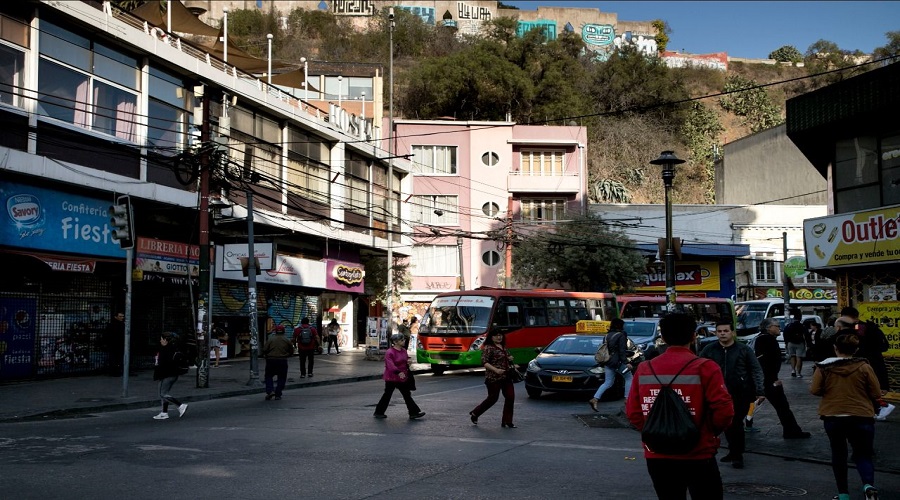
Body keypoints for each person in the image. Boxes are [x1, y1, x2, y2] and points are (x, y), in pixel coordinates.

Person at [626, 313, 734, 500]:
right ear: (693, 336)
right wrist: (709, 433)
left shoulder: (645, 368)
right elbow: (724, 411)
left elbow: (634, 412)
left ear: (664, 337)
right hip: (699, 453)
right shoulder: (705, 367)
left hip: (657, 454)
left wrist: (657, 431)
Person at [811, 333, 882, 500]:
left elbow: (814, 390)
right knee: (863, 454)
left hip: (833, 415)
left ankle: (843, 494)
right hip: (861, 415)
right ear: (856, 350)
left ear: (835, 348)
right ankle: (868, 486)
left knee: (838, 454)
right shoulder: (864, 367)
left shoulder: (824, 367)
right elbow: (876, 392)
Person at [699, 321, 765, 469]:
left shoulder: (744, 350)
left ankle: (737, 454)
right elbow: (700, 369)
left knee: (735, 423)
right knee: (726, 424)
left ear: (732, 333)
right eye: (719, 331)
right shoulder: (709, 350)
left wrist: (760, 391)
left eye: (726, 331)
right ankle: (733, 451)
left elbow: (756, 370)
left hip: (741, 393)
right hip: (717, 393)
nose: (722, 333)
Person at [754, 318, 811, 439]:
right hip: (768, 380)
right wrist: (773, 378)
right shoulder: (766, 339)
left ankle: (791, 430)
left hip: (766, 379)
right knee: (782, 406)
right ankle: (792, 431)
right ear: (769, 328)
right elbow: (765, 361)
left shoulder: (763, 338)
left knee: (782, 406)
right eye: (777, 326)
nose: (779, 328)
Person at [840, 306, 892, 419]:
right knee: (868, 387)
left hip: (866, 361)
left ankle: (881, 407)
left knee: (865, 387)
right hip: (873, 361)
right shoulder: (869, 326)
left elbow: (860, 344)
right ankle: (877, 409)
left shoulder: (859, 327)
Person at [469, 330, 518, 428]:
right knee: (492, 399)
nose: (499, 337)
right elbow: (485, 362)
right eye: (496, 335)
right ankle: (475, 413)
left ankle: (507, 421)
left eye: (500, 335)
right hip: (493, 378)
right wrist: (496, 370)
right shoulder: (488, 348)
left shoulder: (503, 347)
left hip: (506, 376)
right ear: (491, 337)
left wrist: (510, 360)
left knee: (510, 397)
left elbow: (506, 359)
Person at [373, 333, 425, 420]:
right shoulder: (390, 352)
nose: (404, 341)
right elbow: (390, 365)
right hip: (392, 377)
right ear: (395, 342)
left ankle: (413, 412)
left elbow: (406, 359)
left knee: (407, 394)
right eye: (402, 340)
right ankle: (379, 412)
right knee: (387, 395)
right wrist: (398, 372)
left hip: (402, 377)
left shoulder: (403, 350)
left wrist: (408, 362)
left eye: (403, 339)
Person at [588, 318, 634, 412]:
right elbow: (622, 351)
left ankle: (595, 399)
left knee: (608, 382)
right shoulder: (621, 335)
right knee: (629, 378)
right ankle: (627, 399)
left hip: (608, 361)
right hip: (618, 362)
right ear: (619, 325)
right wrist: (626, 363)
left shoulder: (607, 335)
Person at [152, 332, 188, 420]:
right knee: (163, 394)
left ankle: (180, 405)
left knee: (163, 394)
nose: (160, 340)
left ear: (165, 340)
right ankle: (164, 412)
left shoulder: (166, 350)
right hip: (170, 374)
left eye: (161, 339)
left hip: (167, 374)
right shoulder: (170, 348)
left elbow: (163, 364)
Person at [262, 325, 293, 400]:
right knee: (282, 378)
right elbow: (291, 350)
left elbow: (264, 349)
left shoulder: (271, 339)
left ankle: (270, 391)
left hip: (271, 360)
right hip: (282, 360)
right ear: (284, 331)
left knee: (268, 376)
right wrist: (287, 355)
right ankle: (278, 394)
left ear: (275, 331)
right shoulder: (286, 340)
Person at [783, 309, 808, 378]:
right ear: (800, 318)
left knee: (792, 356)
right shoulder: (802, 326)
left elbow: (785, 334)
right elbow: (806, 335)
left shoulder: (789, 325)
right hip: (800, 343)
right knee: (799, 357)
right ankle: (798, 373)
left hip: (790, 343)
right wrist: (808, 344)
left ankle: (793, 370)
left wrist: (786, 343)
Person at [104, 311, 125, 375]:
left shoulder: (112, 324)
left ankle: (114, 371)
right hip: (116, 344)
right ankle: (116, 370)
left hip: (115, 344)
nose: (122, 318)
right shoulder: (120, 325)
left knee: (115, 358)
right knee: (117, 358)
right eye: (120, 316)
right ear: (116, 317)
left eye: (122, 316)